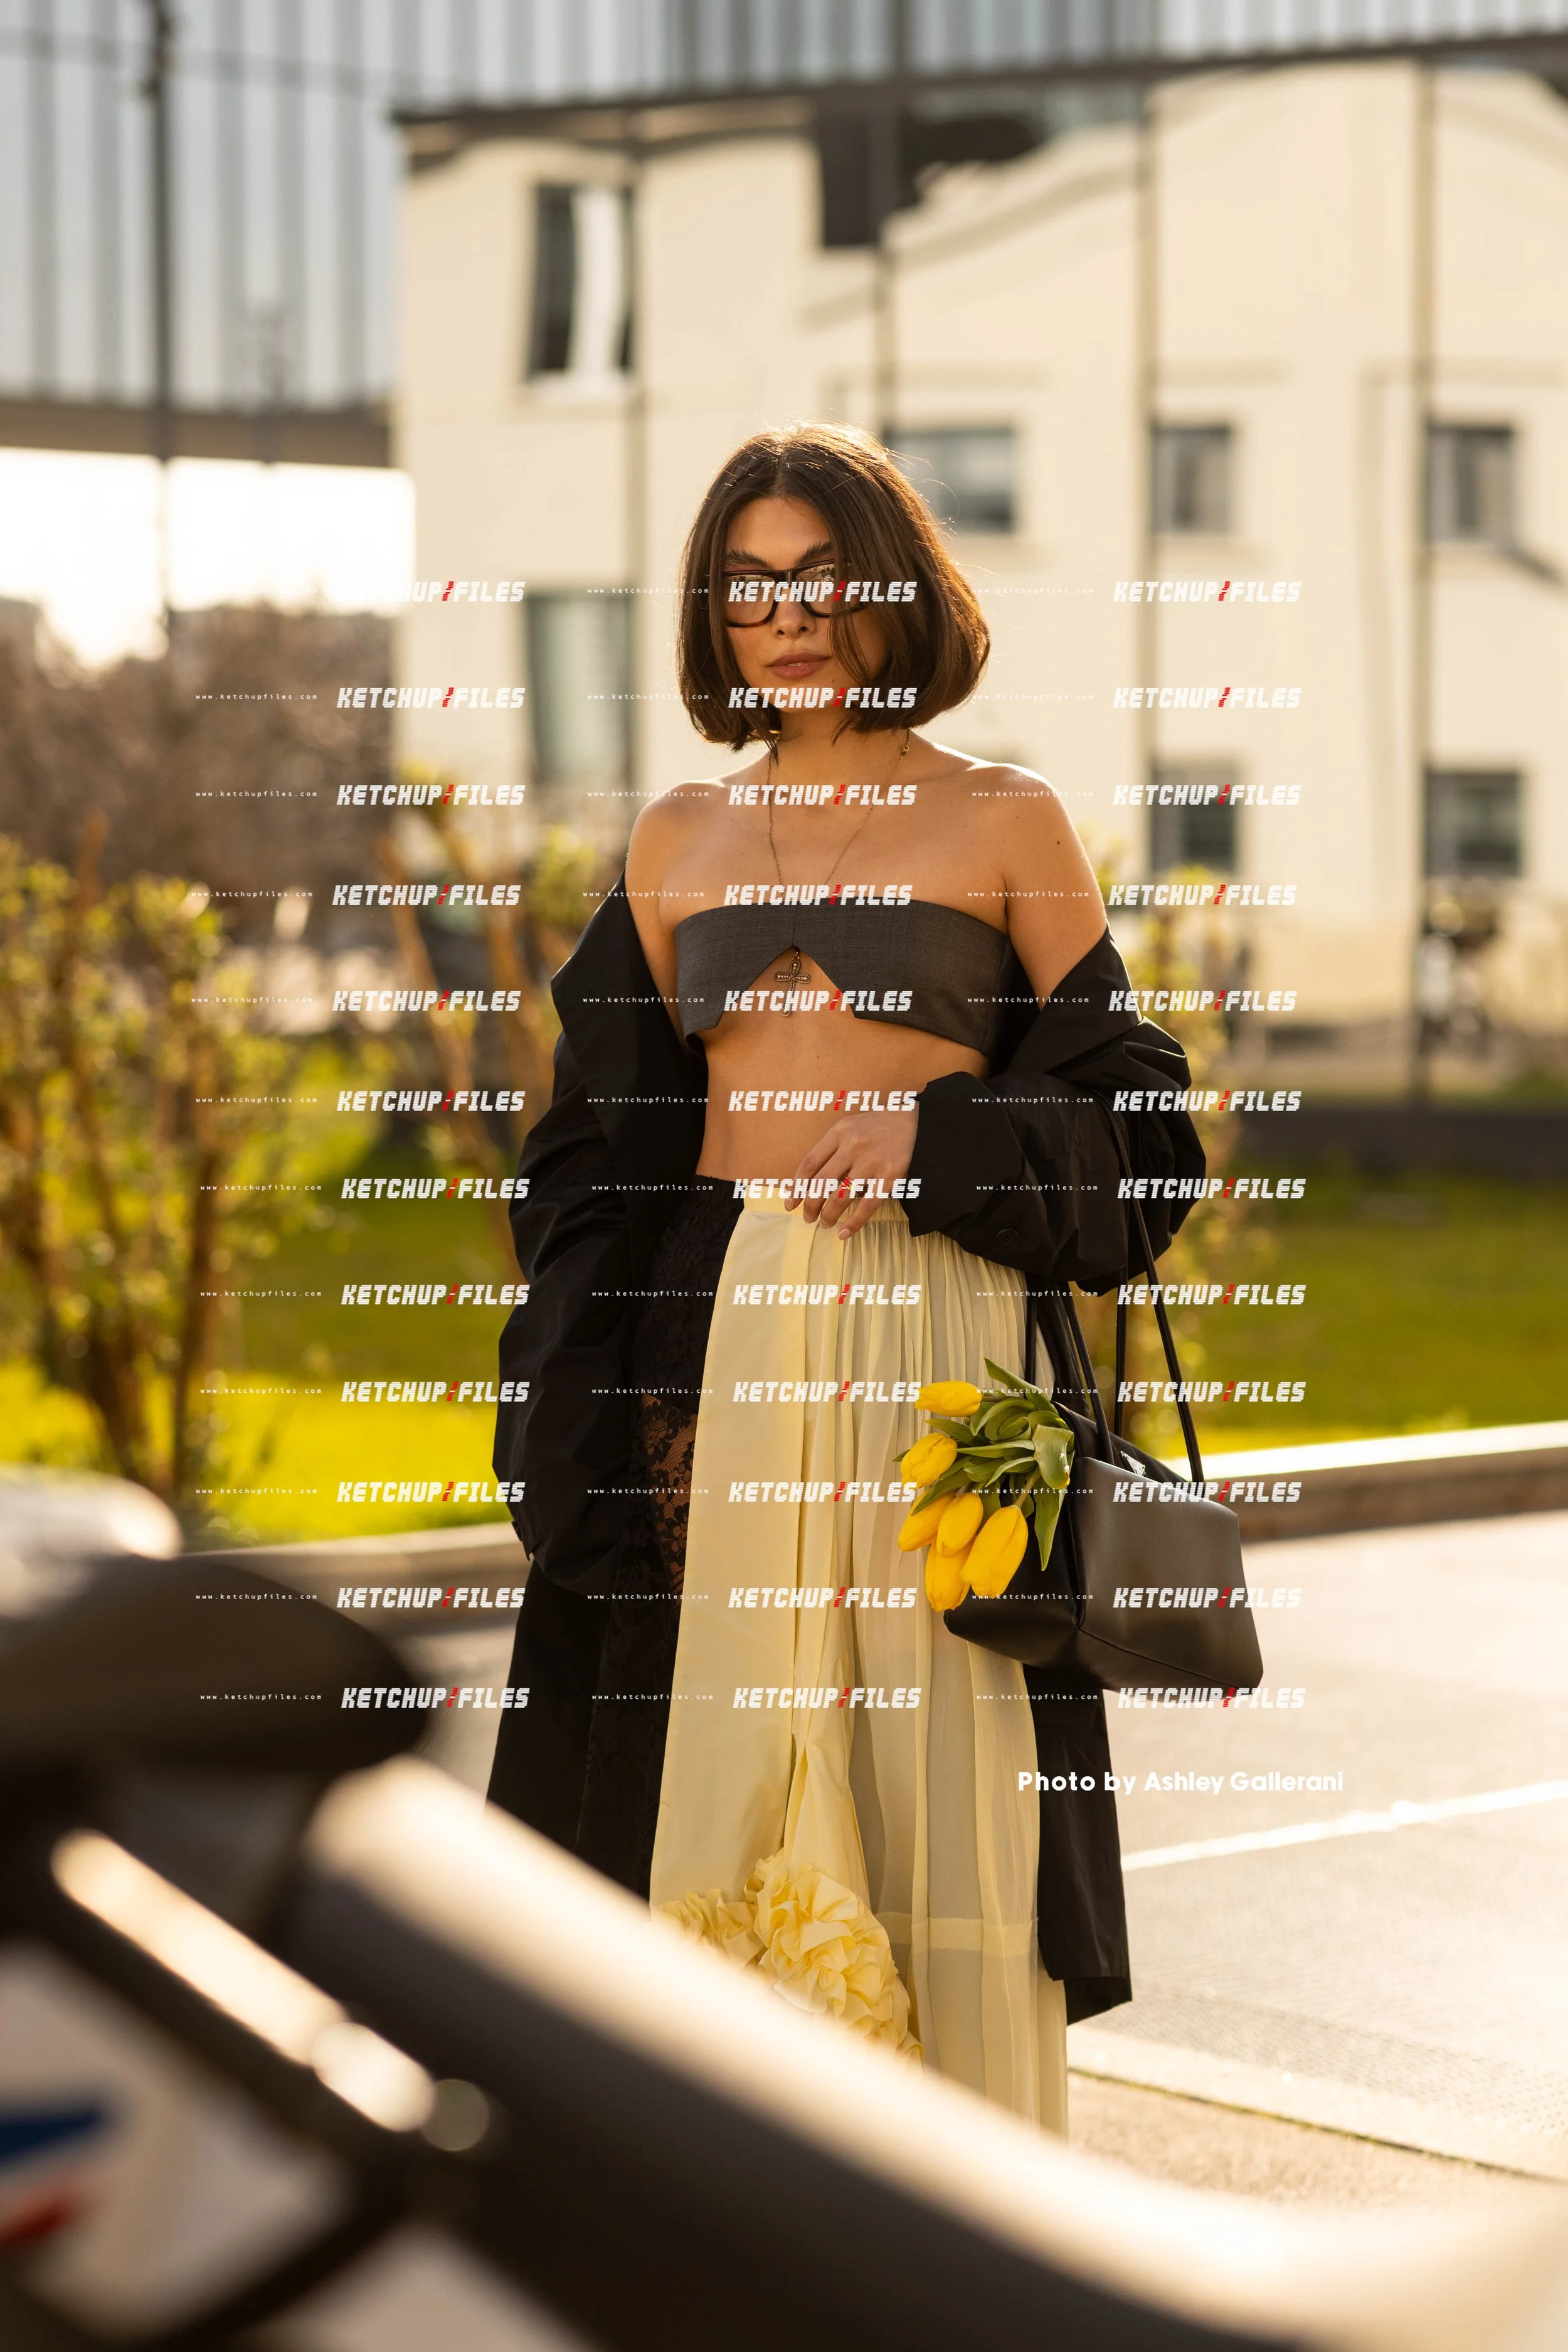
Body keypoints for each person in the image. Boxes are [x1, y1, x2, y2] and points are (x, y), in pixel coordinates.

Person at [489, 423, 1203, 2128]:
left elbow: (1145, 1143)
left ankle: (959, 2223)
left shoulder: (1004, 818)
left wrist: (936, 1133)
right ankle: (742, 2214)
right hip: (725, 1352)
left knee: (936, 1791)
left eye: (823, 580)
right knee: (715, 1784)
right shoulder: (676, 841)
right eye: (748, 591)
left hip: (944, 1352)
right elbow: (587, 1163)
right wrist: (589, 1409)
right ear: (713, 624)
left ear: (898, 587)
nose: (788, 619)